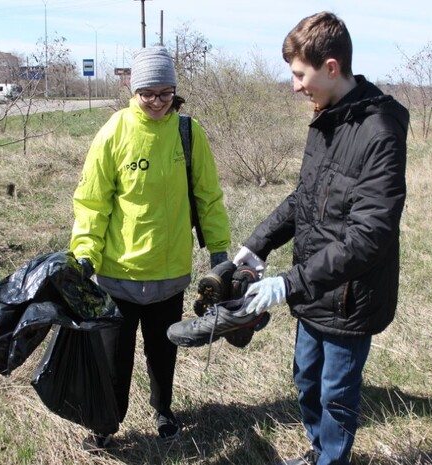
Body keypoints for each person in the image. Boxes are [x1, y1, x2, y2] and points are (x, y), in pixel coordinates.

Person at [234, 12, 409, 465]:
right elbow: (304, 200)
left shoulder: (380, 131)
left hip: (349, 297)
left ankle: (332, 459)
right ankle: (317, 451)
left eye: (299, 74)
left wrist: (288, 283)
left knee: (336, 395)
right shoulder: (327, 119)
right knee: (307, 381)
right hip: (314, 291)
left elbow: (370, 236)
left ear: (331, 67)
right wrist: (257, 243)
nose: (295, 85)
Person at [69, 45, 231, 451]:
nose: (158, 102)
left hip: (168, 271)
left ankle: (164, 410)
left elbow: (208, 196)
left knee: (163, 352)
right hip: (118, 272)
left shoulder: (188, 134)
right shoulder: (114, 132)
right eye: (148, 94)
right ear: (134, 91)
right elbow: (93, 201)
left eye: (165, 93)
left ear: (174, 91)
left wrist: (219, 251)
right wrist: (85, 250)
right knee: (114, 359)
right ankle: (107, 422)